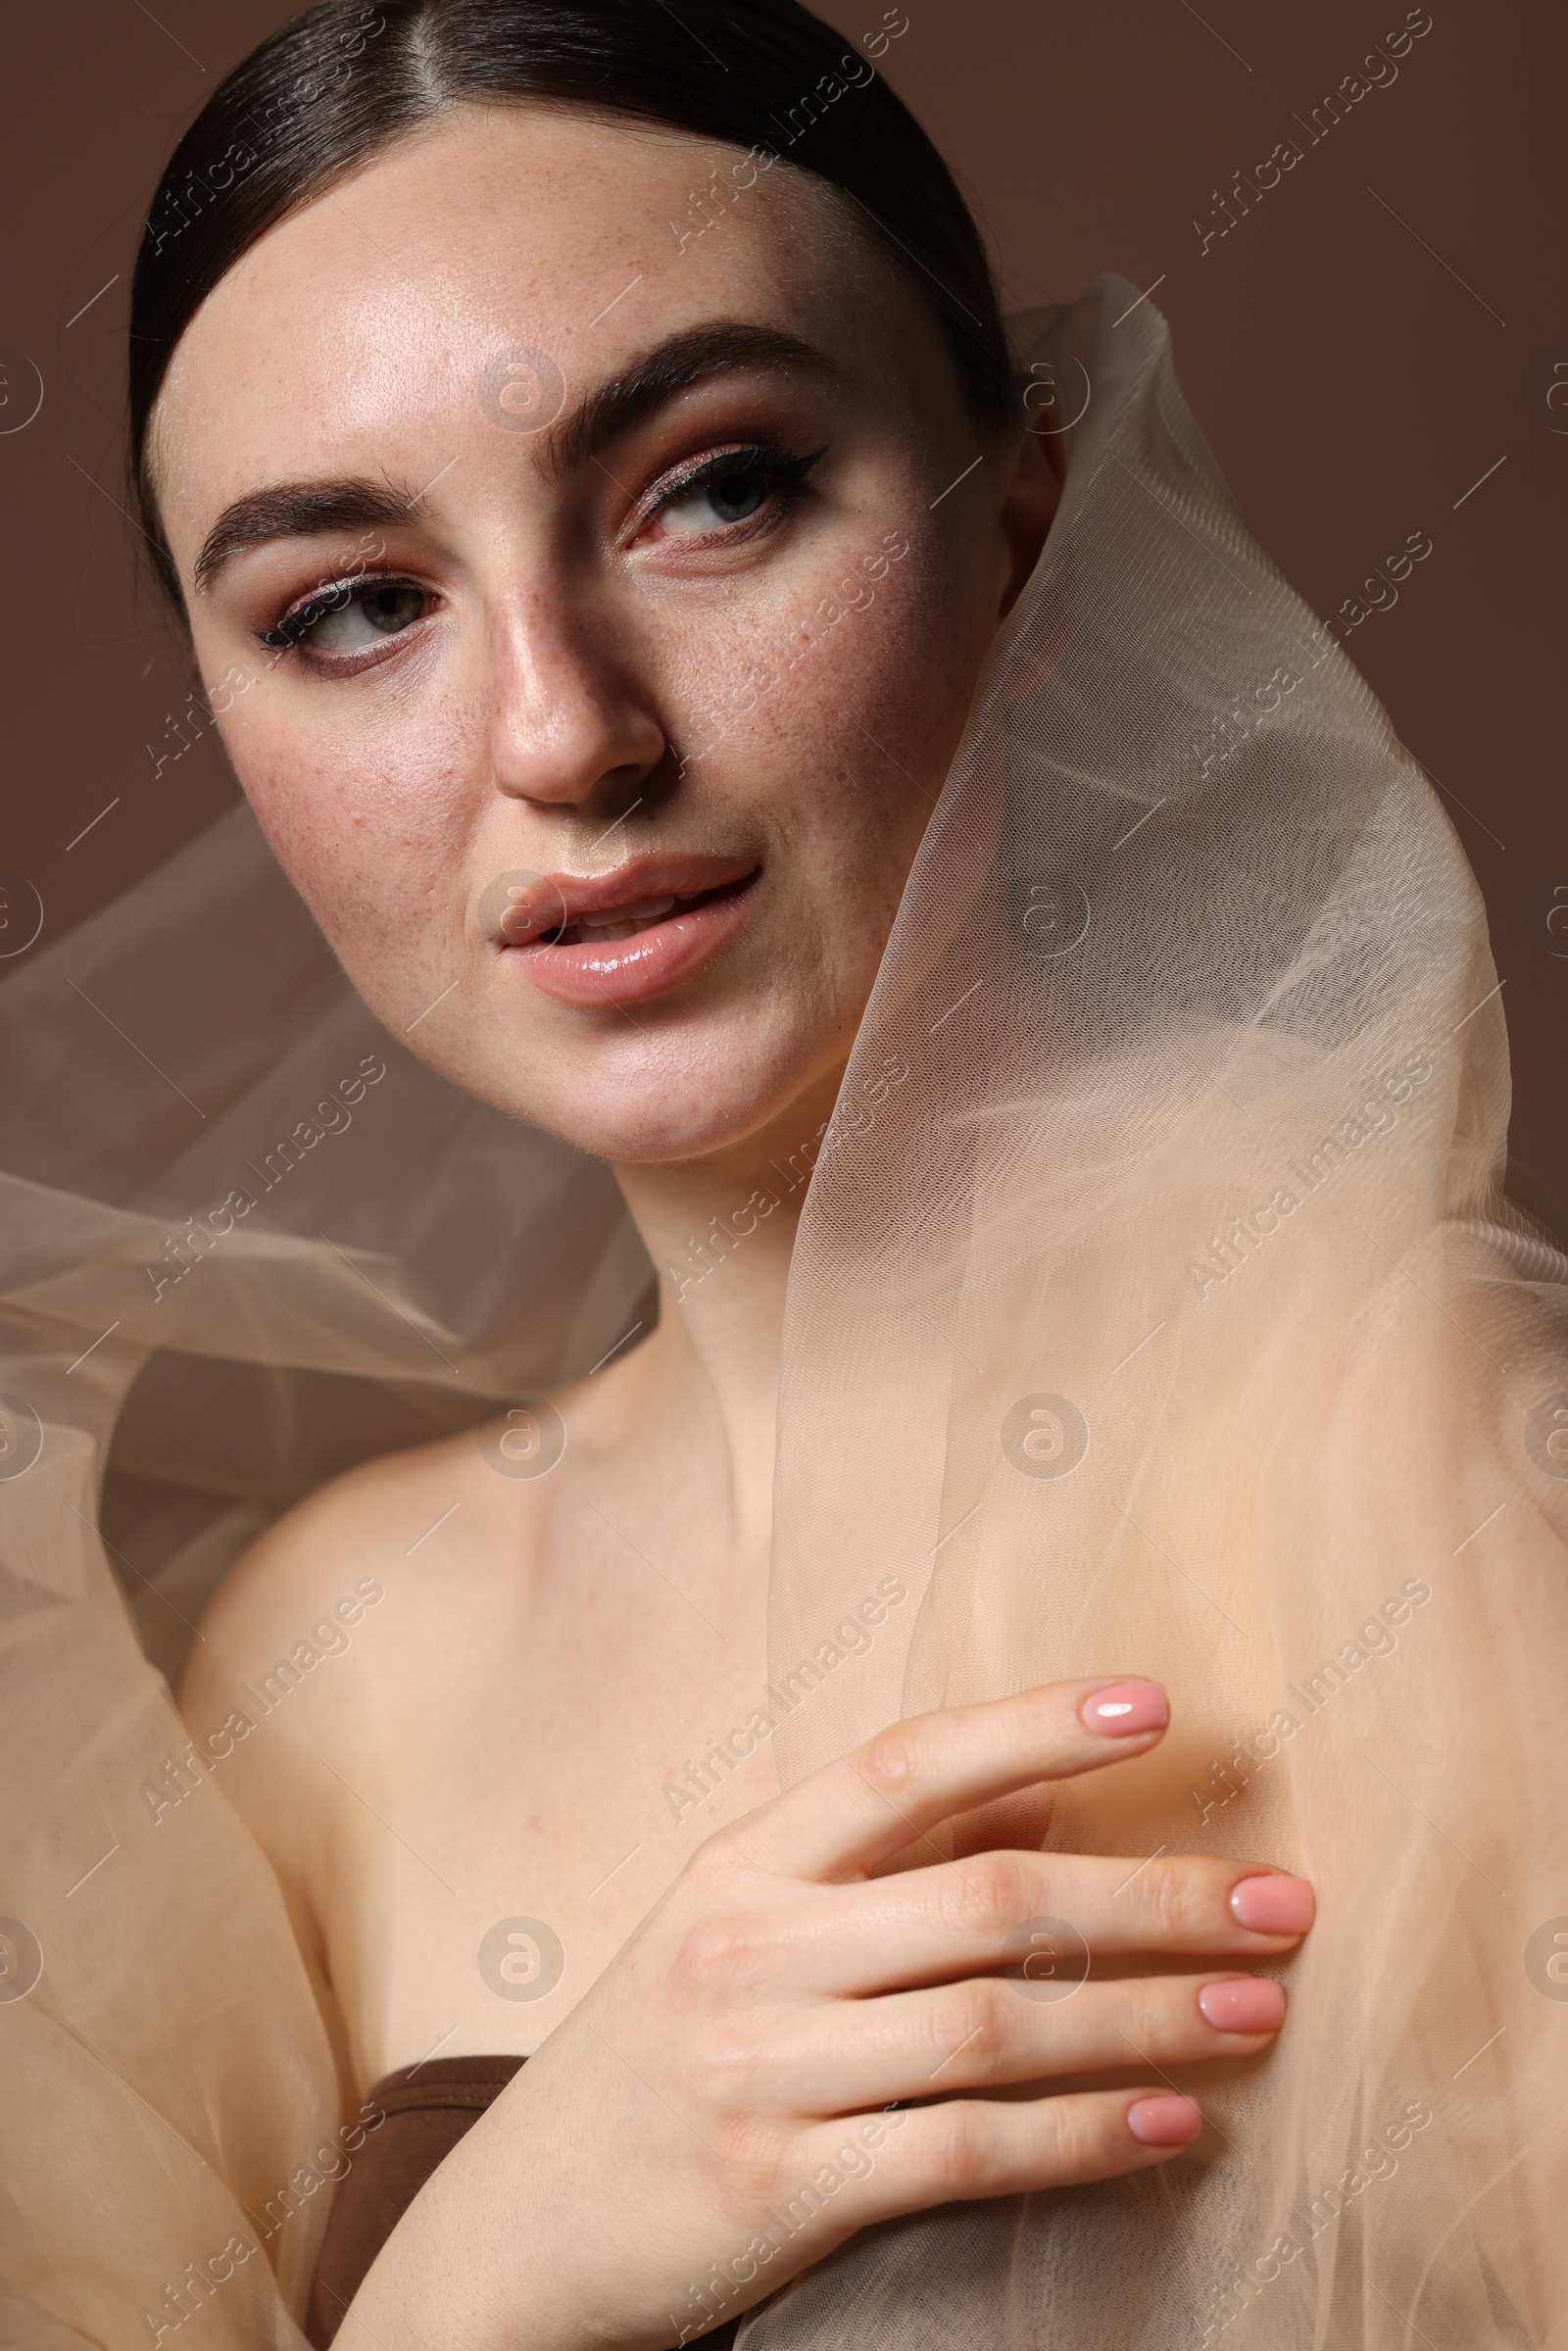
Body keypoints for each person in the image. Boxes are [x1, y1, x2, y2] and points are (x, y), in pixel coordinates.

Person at [1, 4, 1562, 2348]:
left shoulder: (1428, 1452)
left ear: (1015, 507)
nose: (560, 732)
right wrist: (483, 2288)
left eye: (708, 486)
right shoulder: (333, 1659)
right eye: (351, 606)